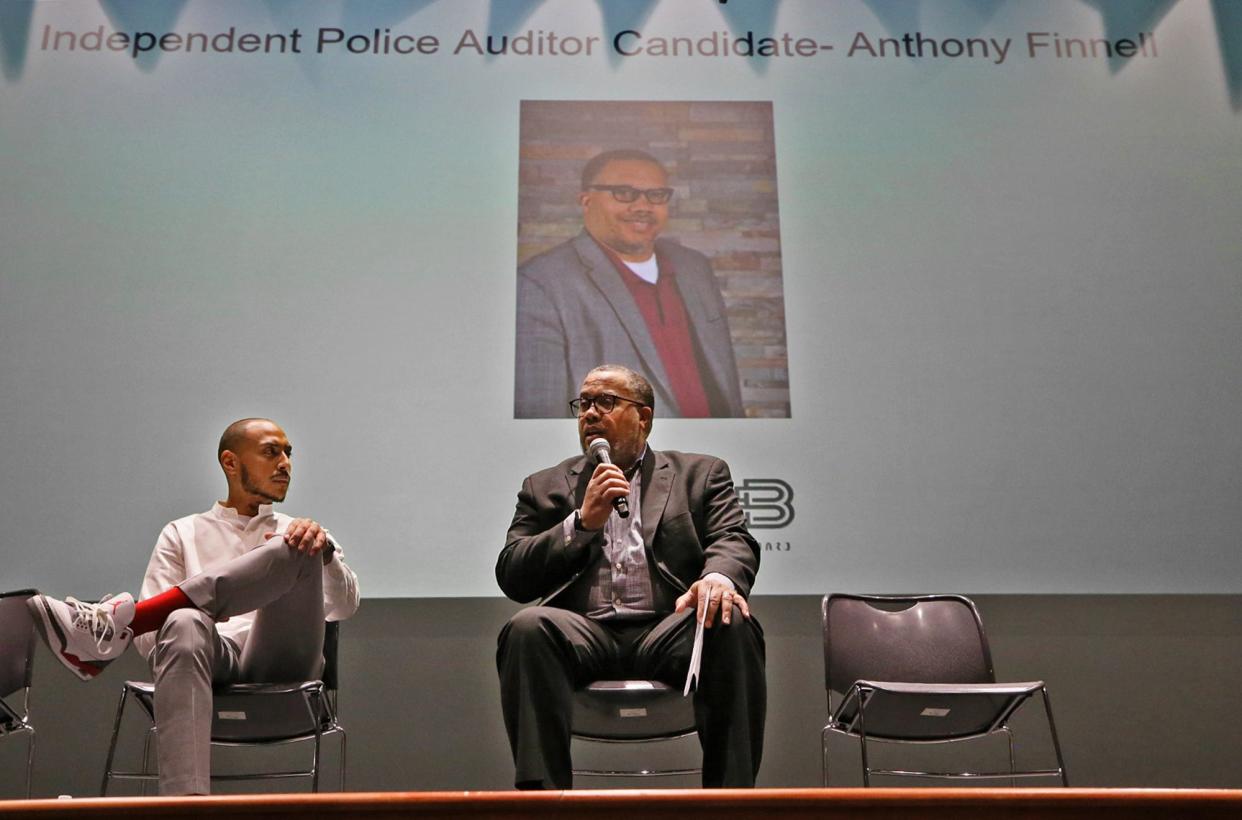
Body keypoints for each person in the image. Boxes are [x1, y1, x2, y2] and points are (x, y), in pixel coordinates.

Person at [27, 418, 359, 795]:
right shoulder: (181, 533)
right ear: (230, 463)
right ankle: (187, 806)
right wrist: (194, 622)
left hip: (283, 661)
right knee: (183, 620)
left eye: (288, 453)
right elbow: (154, 647)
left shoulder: (304, 531)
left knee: (295, 545)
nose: (285, 462)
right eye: (271, 452)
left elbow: (345, 606)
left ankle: (119, 625)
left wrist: (326, 554)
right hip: (208, 662)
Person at [497, 364, 765, 789]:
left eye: (605, 402)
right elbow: (513, 575)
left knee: (728, 619)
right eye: (583, 404)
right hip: (583, 633)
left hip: (667, 629)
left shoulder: (700, 474)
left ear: (644, 417)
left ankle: (730, 801)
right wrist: (580, 523)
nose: (589, 414)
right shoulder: (544, 485)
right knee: (527, 627)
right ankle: (542, 802)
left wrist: (718, 579)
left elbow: (733, 539)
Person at [515, 149, 745, 419]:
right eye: (624, 193)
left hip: (709, 454)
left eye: (656, 195)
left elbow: (725, 385)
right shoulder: (540, 283)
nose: (642, 206)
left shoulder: (695, 268)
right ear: (586, 201)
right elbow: (541, 415)